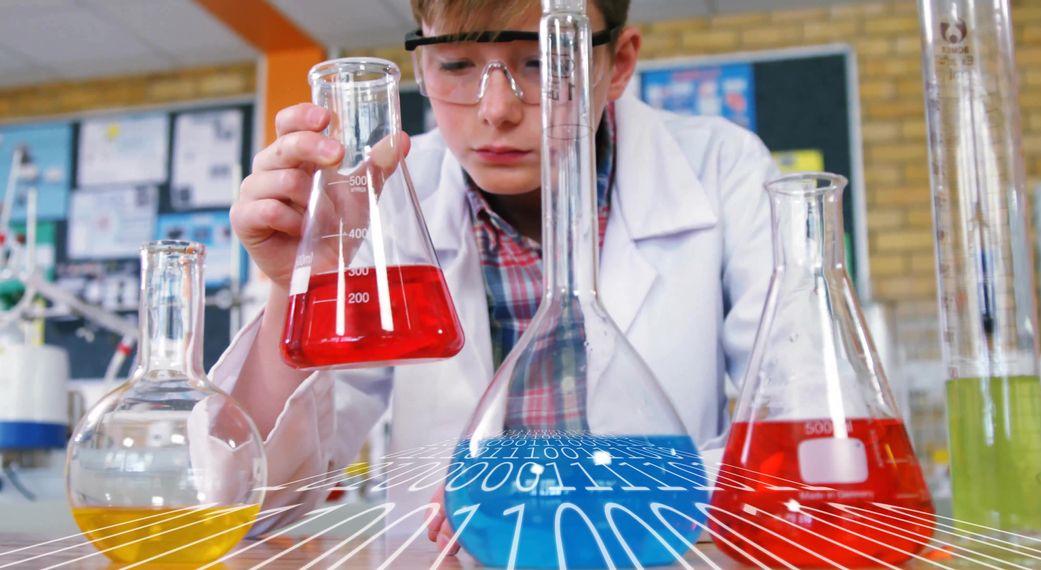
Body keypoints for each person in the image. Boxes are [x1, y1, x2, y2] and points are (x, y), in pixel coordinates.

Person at [215, 0, 777, 552]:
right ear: (419, 67)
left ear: (619, 63)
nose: (496, 109)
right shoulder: (373, 202)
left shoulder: (723, 169)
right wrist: (296, 285)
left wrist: (566, 496)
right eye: (457, 65)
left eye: (540, 61)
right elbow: (253, 509)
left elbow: (802, 438)